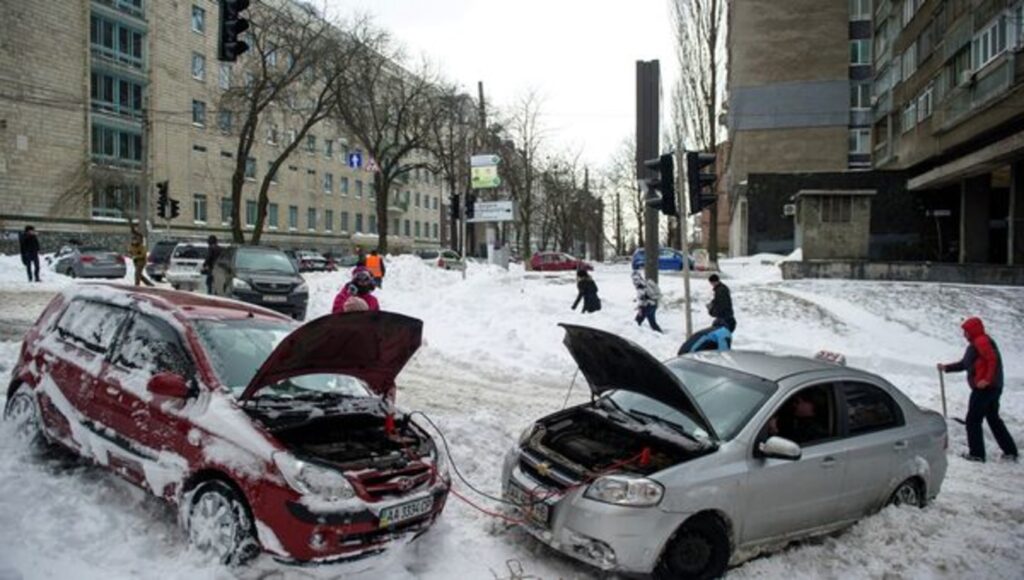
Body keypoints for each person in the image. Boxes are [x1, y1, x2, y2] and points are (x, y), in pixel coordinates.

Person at [939, 317, 1018, 463]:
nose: (964, 334)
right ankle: (1010, 451)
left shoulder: (981, 341)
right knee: (993, 419)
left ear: (972, 330)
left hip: (985, 389)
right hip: (993, 388)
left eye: (966, 331)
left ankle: (977, 455)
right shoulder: (978, 343)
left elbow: (992, 360)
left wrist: (986, 380)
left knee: (973, 420)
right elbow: (965, 364)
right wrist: (947, 368)